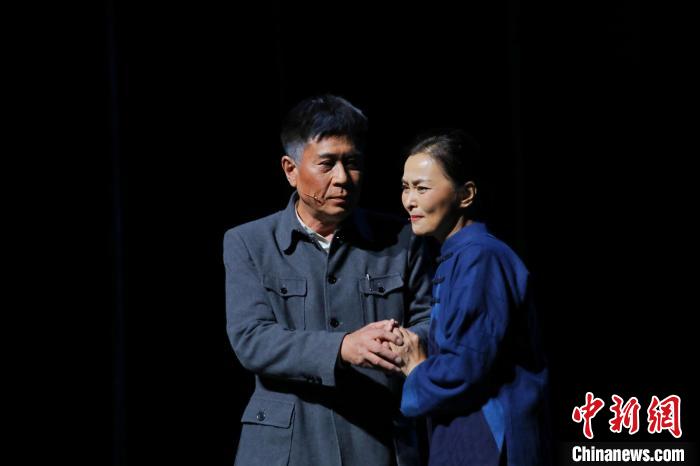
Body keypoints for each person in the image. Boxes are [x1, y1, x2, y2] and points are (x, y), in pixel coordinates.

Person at [223, 95, 434, 466]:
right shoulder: (249, 242)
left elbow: (433, 321)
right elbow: (251, 339)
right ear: (290, 169)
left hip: (379, 441)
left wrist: (402, 340)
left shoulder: (403, 239)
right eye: (327, 163)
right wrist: (342, 348)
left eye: (352, 163)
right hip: (286, 448)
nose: (342, 179)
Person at [389, 130, 550, 465]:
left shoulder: (481, 256)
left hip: (488, 441)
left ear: (466, 195)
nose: (409, 201)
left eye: (422, 188)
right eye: (405, 187)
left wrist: (416, 370)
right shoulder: (458, 254)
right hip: (465, 435)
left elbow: (466, 365)